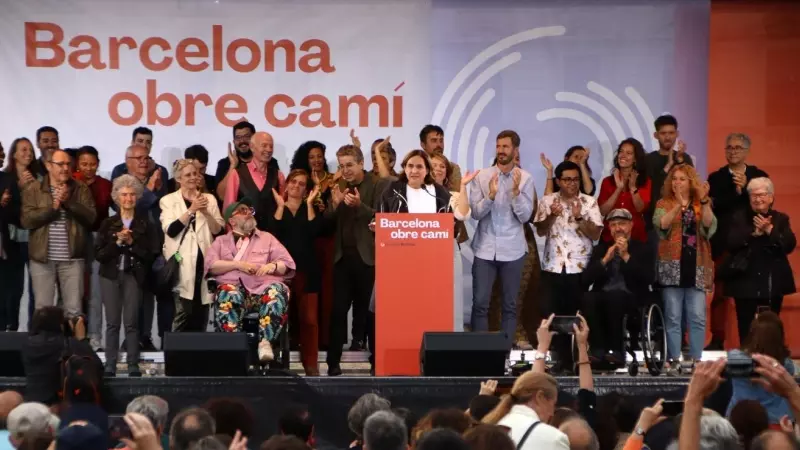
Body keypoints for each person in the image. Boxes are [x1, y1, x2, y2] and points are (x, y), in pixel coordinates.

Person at [376, 149, 474, 331]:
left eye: (419, 167)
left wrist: (463, 187)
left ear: (427, 170)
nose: (414, 171)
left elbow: (462, 214)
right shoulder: (392, 190)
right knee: (403, 314)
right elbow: (381, 219)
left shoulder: (437, 192)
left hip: (432, 264)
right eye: (410, 166)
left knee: (429, 312)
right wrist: (378, 227)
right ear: (404, 168)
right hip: (401, 263)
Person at [324, 145, 391, 376]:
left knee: (371, 315)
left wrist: (358, 206)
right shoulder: (338, 186)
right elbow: (328, 222)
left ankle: (376, 364)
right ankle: (333, 364)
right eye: (342, 166)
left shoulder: (377, 184)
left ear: (362, 163)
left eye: (349, 165)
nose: (346, 171)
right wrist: (334, 206)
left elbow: (383, 218)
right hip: (343, 259)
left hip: (369, 259)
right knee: (338, 312)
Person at [205, 199, 295, 362]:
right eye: (242, 211)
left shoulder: (267, 238)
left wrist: (273, 266)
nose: (248, 213)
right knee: (227, 293)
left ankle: (265, 343)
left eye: (249, 210)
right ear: (232, 221)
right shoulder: (221, 242)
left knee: (277, 291)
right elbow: (211, 266)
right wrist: (238, 265)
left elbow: (287, 264)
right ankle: (234, 349)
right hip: (235, 287)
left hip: (262, 288)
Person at [469, 130, 536, 349]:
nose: (501, 151)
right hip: (485, 249)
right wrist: (490, 196)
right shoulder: (482, 176)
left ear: (515, 150)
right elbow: (476, 213)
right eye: (498, 146)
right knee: (480, 303)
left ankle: (504, 354)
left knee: (510, 305)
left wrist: (515, 194)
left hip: (513, 250)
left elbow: (526, 216)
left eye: (505, 147)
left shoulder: (525, 178)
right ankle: (480, 352)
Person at [534, 161, 602, 371]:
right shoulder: (547, 201)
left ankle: (578, 359)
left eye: (575, 179)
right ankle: (558, 359)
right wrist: (553, 215)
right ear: (558, 181)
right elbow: (541, 231)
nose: (572, 184)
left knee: (577, 315)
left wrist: (580, 216)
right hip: (553, 266)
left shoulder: (589, 202)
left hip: (579, 268)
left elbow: (596, 234)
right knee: (552, 314)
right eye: (567, 179)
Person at [706, 133, 769, 350]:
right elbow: (716, 206)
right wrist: (739, 193)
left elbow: (767, 204)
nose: (733, 151)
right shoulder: (715, 178)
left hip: (754, 243)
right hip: (724, 244)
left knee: (754, 293)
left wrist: (747, 189)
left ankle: (757, 340)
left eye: (737, 148)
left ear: (746, 151)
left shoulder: (758, 176)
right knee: (720, 295)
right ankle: (717, 339)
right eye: (729, 147)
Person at [653, 165, 716, 374]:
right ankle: (674, 359)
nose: (677, 182)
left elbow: (709, 226)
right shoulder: (663, 203)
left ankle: (697, 359)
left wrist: (705, 201)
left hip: (696, 266)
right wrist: (677, 207)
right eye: (674, 179)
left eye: (682, 179)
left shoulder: (700, 204)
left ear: (691, 182)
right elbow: (661, 224)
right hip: (672, 266)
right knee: (673, 316)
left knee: (697, 316)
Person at [95, 175, 160, 377]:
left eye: (132, 194)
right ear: (117, 197)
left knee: (132, 322)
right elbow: (100, 254)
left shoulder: (145, 224)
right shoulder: (108, 223)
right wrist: (117, 243)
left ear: (138, 197)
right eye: (124, 194)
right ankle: (110, 364)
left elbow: (151, 254)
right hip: (110, 276)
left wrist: (132, 242)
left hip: (133, 276)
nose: (128, 198)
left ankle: (133, 364)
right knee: (113, 322)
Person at [21, 149, 96, 317]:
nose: (65, 168)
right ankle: (44, 343)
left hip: (72, 259)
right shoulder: (34, 189)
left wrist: (68, 203)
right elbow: (27, 220)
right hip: (42, 259)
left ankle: (73, 343)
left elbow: (90, 218)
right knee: (43, 310)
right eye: (60, 164)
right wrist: (53, 208)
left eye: (68, 164)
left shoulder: (80, 188)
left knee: (74, 311)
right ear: (49, 166)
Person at [723, 177, 795, 341]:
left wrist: (769, 229)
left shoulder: (780, 219)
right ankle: (747, 362)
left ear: (771, 197)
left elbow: (789, 244)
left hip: (772, 282)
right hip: (745, 282)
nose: (758, 199)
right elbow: (731, 243)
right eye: (753, 195)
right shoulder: (739, 217)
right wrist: (753, 234)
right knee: (746, 329)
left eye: (762, 195)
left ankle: (769, 361)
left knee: (770, 328)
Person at [581, 209, 654, 363]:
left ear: (631, 226)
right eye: (613, 225)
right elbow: (585, 280)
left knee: (615, 298)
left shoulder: (643, 249)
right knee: (588, 298)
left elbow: (648, 279)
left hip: (632, 298)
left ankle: (617, 351)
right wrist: (605, 260)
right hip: (604, 295)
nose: (618, 228)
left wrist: (626, 256)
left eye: (622, 224)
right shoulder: (601, 249)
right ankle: (597, 350)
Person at [160, 159, 224, 332]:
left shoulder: (209, 199)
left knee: (201, 313)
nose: (193, 177)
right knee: (182, 314)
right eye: (188, 175)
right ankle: (176, 355)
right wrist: (191, 210)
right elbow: (171, 230)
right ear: (178, 179)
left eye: (195, 173)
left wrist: (205, 212)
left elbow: (217, 229)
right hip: (182, 264)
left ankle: (198, 355)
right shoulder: (168, 200)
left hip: (204, 263)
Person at [270, 169, 322, 375]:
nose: (296, 186)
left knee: (309, 321)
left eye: (302, 184)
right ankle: (275, 365)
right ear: (286, 184)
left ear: (307, 190)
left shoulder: (312, 209)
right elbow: (271, 235)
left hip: (307, 272)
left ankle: (311, 366)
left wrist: (309, 204)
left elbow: (314, 232)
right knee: (278, 319)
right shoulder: (275, 208)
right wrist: (281, 207)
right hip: (280, 274)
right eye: (293, 182)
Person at [289, 140, 337, 350]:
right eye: (312, 157)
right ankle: (294, 338)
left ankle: (322, 340)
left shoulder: (332, 180)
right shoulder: (298, 181)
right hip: (303, 243)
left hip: (325, 241)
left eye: (319, 156)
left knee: (323, 292)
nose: (316, 160)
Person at [73, 146, 112, 350]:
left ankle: (95, 335)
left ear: (98, 164)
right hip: (74, 239)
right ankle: (73, 336)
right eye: (84, 164)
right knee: (74, 289)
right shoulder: (70, 183)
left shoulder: (106, 185)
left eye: (93, 164)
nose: (89, 168)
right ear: (77, 164)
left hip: (98, 240)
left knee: (96, 290)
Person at [22, 307, 102, 406]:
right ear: (60, 324)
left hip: (31, 400)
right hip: (57, 404)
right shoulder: (67, 344)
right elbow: (97, 365)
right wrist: (81, 339)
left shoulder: (27, 344)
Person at [726, 313, 794, 426]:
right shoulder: (786, 365)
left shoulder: (734, 357)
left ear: (752, 334)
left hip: (738, 422)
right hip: (779, 422)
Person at [3, 138, 41, 329]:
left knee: (37, 290)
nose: (28, 153)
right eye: (23, 149)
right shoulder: (5, 177)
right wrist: (18, 187)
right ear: (14, 154)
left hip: (35, 239)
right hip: (12, 241)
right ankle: (11, 327)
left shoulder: (39, 177)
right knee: (13, 288)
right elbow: (6, 210)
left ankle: (34, 331)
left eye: (30, 150)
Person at [481, 371, 569, 450]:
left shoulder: (486, 430)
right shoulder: (554, 439)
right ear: (540, 397)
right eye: (553, 404)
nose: (552, 413)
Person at [223, 131, 286, 232]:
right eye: (264, 145)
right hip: (245, 237)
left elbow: (283, 207)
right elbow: (228, 210)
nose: (269, 150)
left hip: (273, 237)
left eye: (271, 146)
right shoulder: (237, 174)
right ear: (252, 147)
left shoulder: (278, 175)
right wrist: (233, 240)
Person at [597, 138, 651, 243]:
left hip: (635, 237)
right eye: (621, 151)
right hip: (610, 237)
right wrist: (619, 188)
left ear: (635, 159)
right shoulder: (607, 181)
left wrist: (633, 188)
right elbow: (603, 211)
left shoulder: (645, 181)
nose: (623, 155)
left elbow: (640, 208)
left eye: (629, 153)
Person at [215, 120, 256, 201]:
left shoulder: (266, 162)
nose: (242, 141)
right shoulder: (224, 164)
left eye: (247, 136)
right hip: (234, 212)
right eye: (238, 138)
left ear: (254, 138)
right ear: (234, 142)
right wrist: (232, 166)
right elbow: (221, 196)